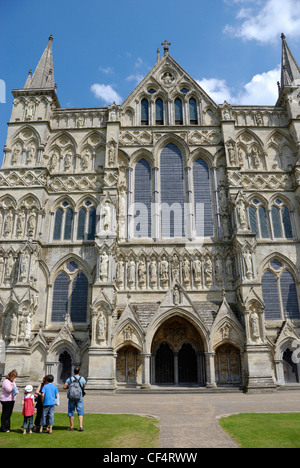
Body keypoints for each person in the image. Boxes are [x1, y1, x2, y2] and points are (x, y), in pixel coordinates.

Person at [63, 366, 86, 432]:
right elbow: (84, 386)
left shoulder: (70, 379)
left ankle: (71, 427)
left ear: (73, 371)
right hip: (79, 397)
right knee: (80, 411)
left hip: (71, 397)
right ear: (79, 372)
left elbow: (64, 387)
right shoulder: (82, 379)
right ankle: (81, 426)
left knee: (71, 411)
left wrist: (69, 387)